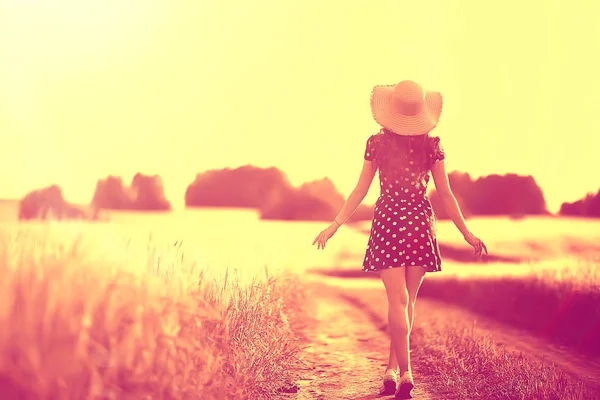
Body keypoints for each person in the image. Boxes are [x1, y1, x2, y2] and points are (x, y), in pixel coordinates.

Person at [312, 80, 487, 399]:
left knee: (398, 301)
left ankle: (402, 371)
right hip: (420, 222)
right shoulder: (432, 144)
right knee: (407, 303)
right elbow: (445, 194)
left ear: (391, 111)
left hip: (389, 221)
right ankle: (395, 370)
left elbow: (360, 189)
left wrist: (335, 224)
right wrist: (466, 233)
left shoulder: (376, 144)